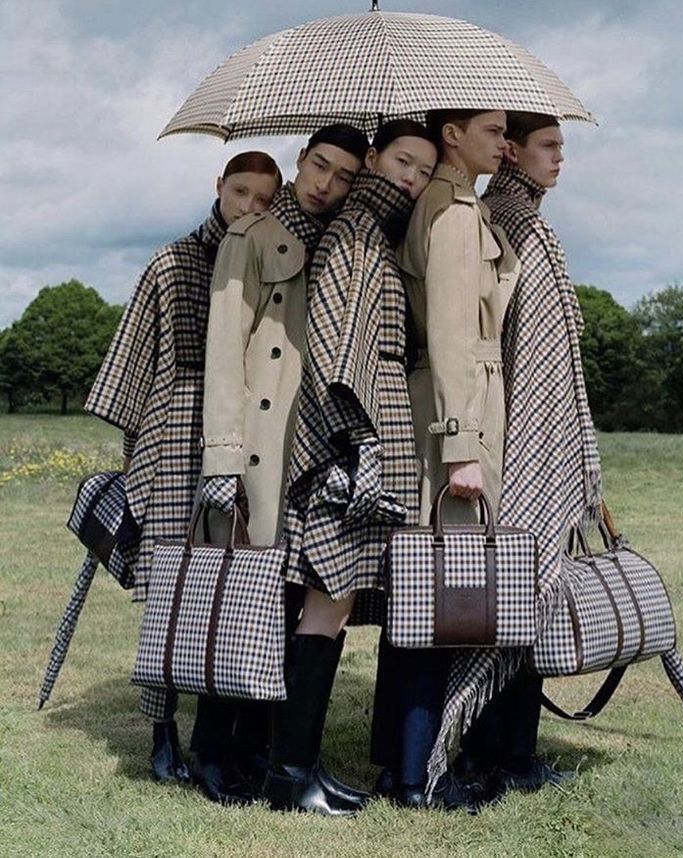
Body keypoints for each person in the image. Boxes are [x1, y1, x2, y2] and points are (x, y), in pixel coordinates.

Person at [85, 151, 282, 788]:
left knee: (235, 582)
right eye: (241, 191)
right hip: (174, 439)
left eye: (263, 197)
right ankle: (162, 731)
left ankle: (227, 723)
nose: (250, 206)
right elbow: (130, 370)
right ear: (218, 188)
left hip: (244, 435)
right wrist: (142, 459)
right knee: (170, 592)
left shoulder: (271, 261)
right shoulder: (172, 263)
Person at [265, 119, 438, 817]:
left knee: (326, 610)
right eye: (402, 160)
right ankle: (287, 774)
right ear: (374, 157)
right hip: (348, 452)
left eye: (424, 170)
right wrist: (359, 446)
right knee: (324, 605)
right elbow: (332, 348)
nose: (411, 178)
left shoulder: (371, 232)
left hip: (361, 442)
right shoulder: (356, 235)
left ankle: (294, 766)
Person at [199, 124, 369, 806]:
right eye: (318, 165)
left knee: (295, 600)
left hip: (311, 446)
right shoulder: (250, 236)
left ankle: (275, 757)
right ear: (300, 161)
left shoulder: (341, 244)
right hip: (259, 449)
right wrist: (222, 457)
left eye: (341, 175)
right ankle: (215, 754)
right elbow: (223, 349)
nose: (324, 183)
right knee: (244, 595)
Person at [450, 111, 600, 791]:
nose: (559, 159)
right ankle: (503, 757)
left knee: (514, 603)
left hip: (519, 439)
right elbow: (523, 356)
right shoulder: (515, 226)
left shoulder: (518, 221)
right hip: (512, 439)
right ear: (510, 151)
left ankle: (510, 752)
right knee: (512, 603)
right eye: (548, 146)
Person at [380, 108, 521, 810]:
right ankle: (417, 776)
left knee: (433, 592)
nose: (504, 141)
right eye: (492, 129)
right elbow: (451, 335)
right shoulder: (451, 210)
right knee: (440, 595)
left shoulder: (457, 205)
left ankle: (403, 762)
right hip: (458, 413)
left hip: (458, 405)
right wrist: (462, 444)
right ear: (452, 136)